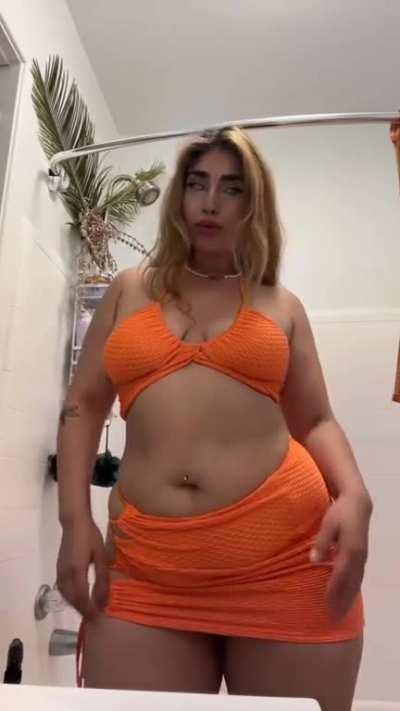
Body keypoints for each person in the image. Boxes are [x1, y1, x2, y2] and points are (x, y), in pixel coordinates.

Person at [56, 126, 372, 710]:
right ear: (179, 196)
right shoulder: (129, 290)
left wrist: (354, 494)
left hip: (286, 564)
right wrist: (74, 522)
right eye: (197, 184)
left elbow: (316, 421)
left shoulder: (282, 305)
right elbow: (83, 408)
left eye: (232, 188)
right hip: (148, 568)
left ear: (254, 205)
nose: (209, 202)